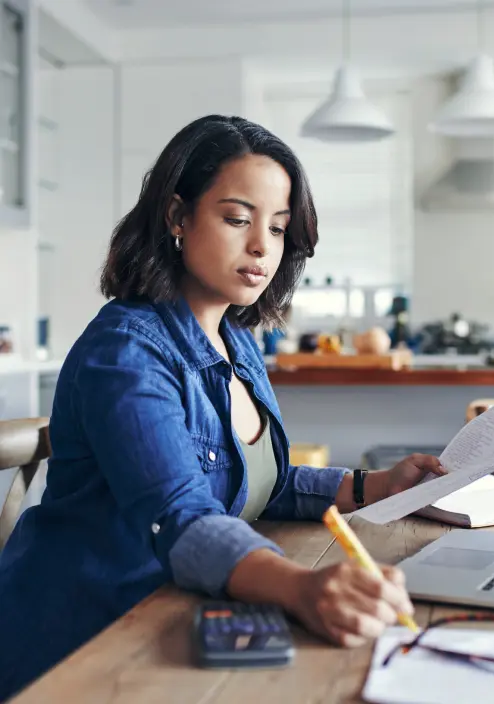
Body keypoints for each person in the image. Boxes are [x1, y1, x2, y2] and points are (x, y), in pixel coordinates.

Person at [0, 115, 444, 700]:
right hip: (87, 640)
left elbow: (257, 483)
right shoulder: (126, 351)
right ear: (178, 217)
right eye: (237, 219)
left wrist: (376, 486)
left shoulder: (236, 340)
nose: (262, 245)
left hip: (174, 615)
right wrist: (302, 588)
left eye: (279, 228)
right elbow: (182, 513)